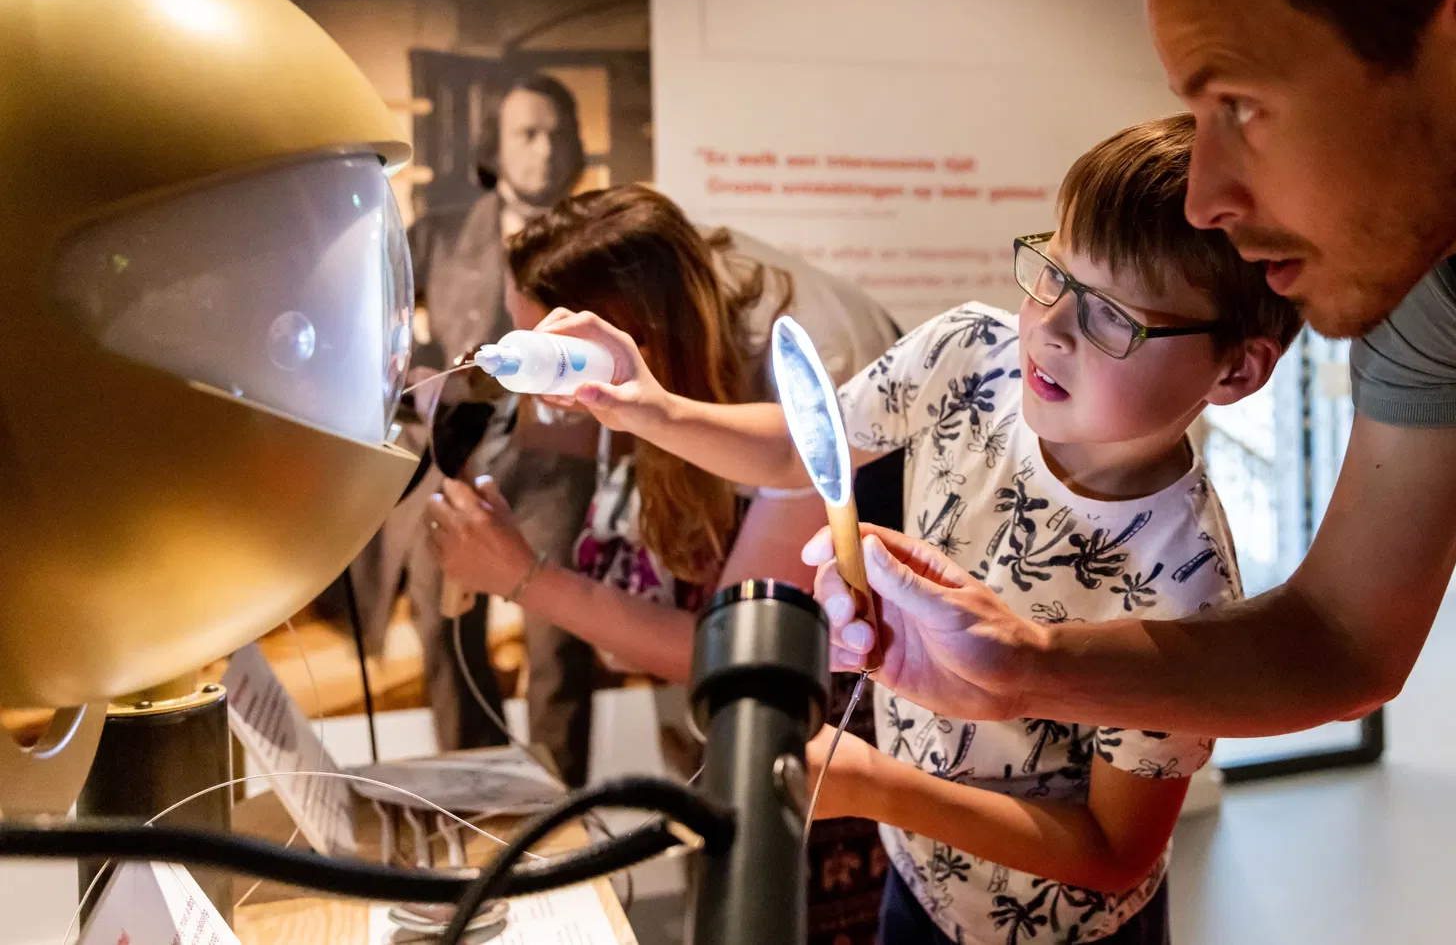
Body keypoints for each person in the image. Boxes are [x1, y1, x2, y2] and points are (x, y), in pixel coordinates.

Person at [771, 0, 1456, 741]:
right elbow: (1343, 634)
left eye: (1239, 105)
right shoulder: (1440, 291)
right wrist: (1023, 665)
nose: (1204, 197)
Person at [535, 116, 1300, 944]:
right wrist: (651, 406)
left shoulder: (1185, 587)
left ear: (1236, 367)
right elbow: (808, 445)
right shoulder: (971, 354)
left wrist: (876, 787)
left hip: (1060, 931)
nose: (1050, 326)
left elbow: (1115, 852)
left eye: (1112, 315)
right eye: (1053, 272)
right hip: (919, 878)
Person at [424, 183, 903, 945]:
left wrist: (522, 575)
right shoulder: (665, 290)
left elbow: (728, 649)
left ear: (619, 339)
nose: (542, 396)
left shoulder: (807, 380)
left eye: (544, 362)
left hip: (844, 712)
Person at [351, 74, 594, 766]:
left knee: (560, 637)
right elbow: (381, 329)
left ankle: (560, 810)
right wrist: (416, 375)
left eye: (557, 134)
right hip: (456, 460)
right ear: (496, 144)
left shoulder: (597, 239)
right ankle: (476, 790)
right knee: (443, 623)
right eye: (527, 132)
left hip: (555, 470)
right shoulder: (440, 235)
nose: (544, 150)